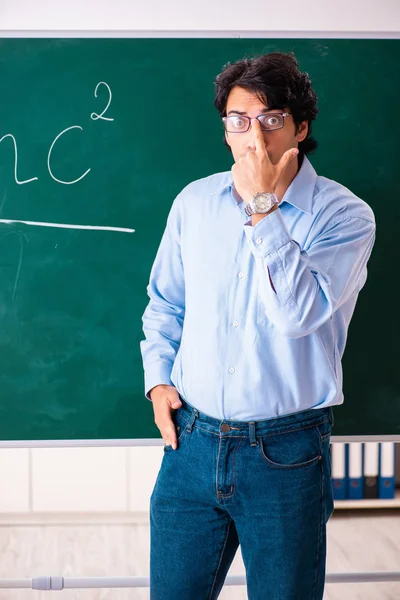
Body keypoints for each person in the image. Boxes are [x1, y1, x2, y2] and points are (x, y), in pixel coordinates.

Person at [140, 51, 376, 600]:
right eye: (239, 121)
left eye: (271, 120)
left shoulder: (344, 215)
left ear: (301, 126)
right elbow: (164, 304)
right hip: (191, 445)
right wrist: (157, 382)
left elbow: (298, 315)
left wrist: (263, 208)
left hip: (286, 453)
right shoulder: (194, 203)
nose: (254, 137)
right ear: (225, 129)